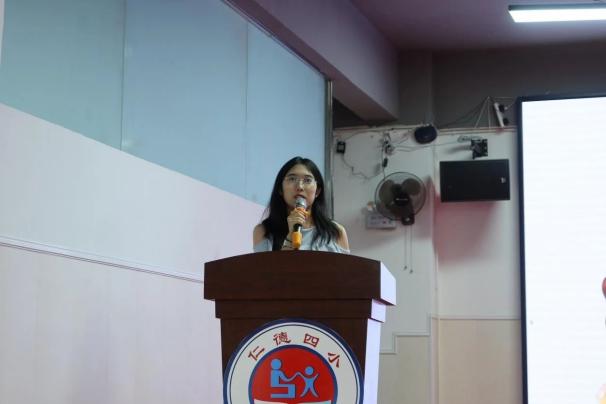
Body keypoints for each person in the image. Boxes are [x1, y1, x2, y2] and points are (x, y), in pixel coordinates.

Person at [253, 156, 349, 253]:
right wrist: (291, 235)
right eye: (292, 179)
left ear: (317, 191)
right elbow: (270, 264)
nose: (299, 187)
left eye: (307, 180)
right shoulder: (263, 231)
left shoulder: (337, 232)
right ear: (280, 189)